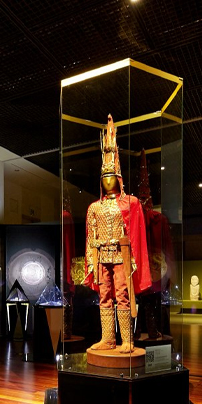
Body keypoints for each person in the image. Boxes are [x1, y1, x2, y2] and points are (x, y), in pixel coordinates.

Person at [85, 115, 151, 354]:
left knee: (123, 295)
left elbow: (136, 233)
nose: (108, 181)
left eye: (111, 176)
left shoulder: (130, 203)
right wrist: (90, 260)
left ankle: (127, 340)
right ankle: (107, 338)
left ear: (119, 178)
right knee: (104, 296)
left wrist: (132, 256)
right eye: (104, 177)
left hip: (122, 255)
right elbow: (90, 236)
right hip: (102, 255)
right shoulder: (94, 207)